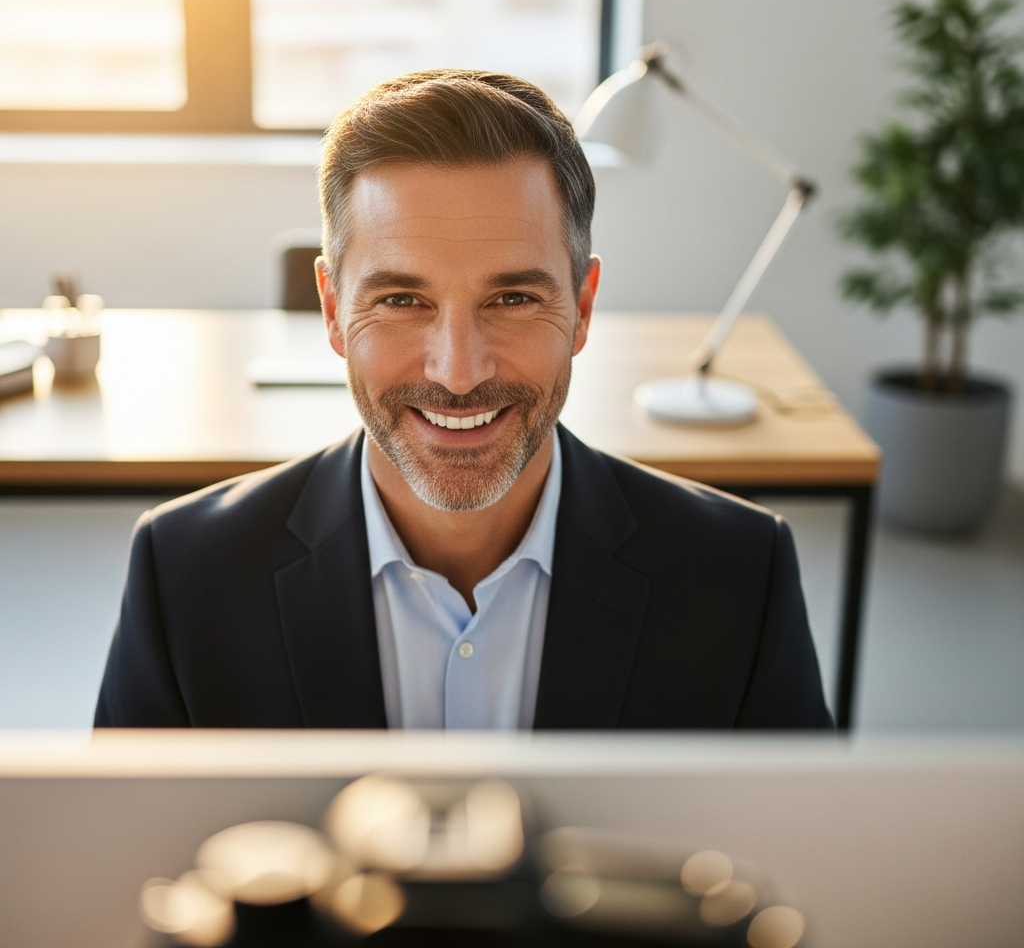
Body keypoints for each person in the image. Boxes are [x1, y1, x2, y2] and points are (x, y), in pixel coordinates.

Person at [95, 70, 832, 730]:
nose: (455, 372)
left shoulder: (740, 576)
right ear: (330, 310)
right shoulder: (185, 574)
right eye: (402, 298)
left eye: (512, 297)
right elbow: (124, 866)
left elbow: (800, 861)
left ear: (582, 307)